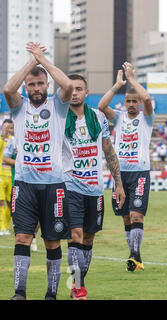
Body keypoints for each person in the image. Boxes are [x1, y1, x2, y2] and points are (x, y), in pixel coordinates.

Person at [3, 42, 74, 300]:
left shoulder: (58, 106)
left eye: (40, 84)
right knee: (22, 238)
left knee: (52, 243)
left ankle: (51, 294)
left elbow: (67, 86)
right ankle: (19, 293)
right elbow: (8, 88)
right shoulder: (19, 106)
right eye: (31, 85)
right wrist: (31, 64)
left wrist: (43, 61)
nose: (35, 88)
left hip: (54, 184)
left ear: (46, 86)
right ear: (27, 88)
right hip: (24, 183)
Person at [63, 74, 125, 300]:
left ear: (86, 93)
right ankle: (79, 288)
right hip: (70, 186)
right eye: (72, 89)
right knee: (76, 235)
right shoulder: (59, 118)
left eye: (79, 89)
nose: (75, 93)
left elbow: (108, 150)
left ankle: (77, 284)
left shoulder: (98, 118)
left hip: (95, 189)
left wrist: (118, 184)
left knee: (88, 239)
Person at [98, 62, 154, 272]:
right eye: (128, 100)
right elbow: (103, 106)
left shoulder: (146, 118)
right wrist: (116, 85)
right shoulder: (119, 117)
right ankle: (135, 255)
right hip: (120, 175)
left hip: (140, 173)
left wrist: (131, 79)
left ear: (139, 103)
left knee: (136, 215)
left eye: (134, 101)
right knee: (125, 217)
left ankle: (134, 254)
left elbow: (147, 98)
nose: (131, 104)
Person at [0, 119, 14, 236]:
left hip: (11, 175)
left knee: (11, 203)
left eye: (9, 128)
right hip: (0, 175)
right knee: (0, 202)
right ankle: (1, 227)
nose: (7, 130)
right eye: (5, 128)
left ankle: (6, 226)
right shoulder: (1, 140)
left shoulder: (13, 141)